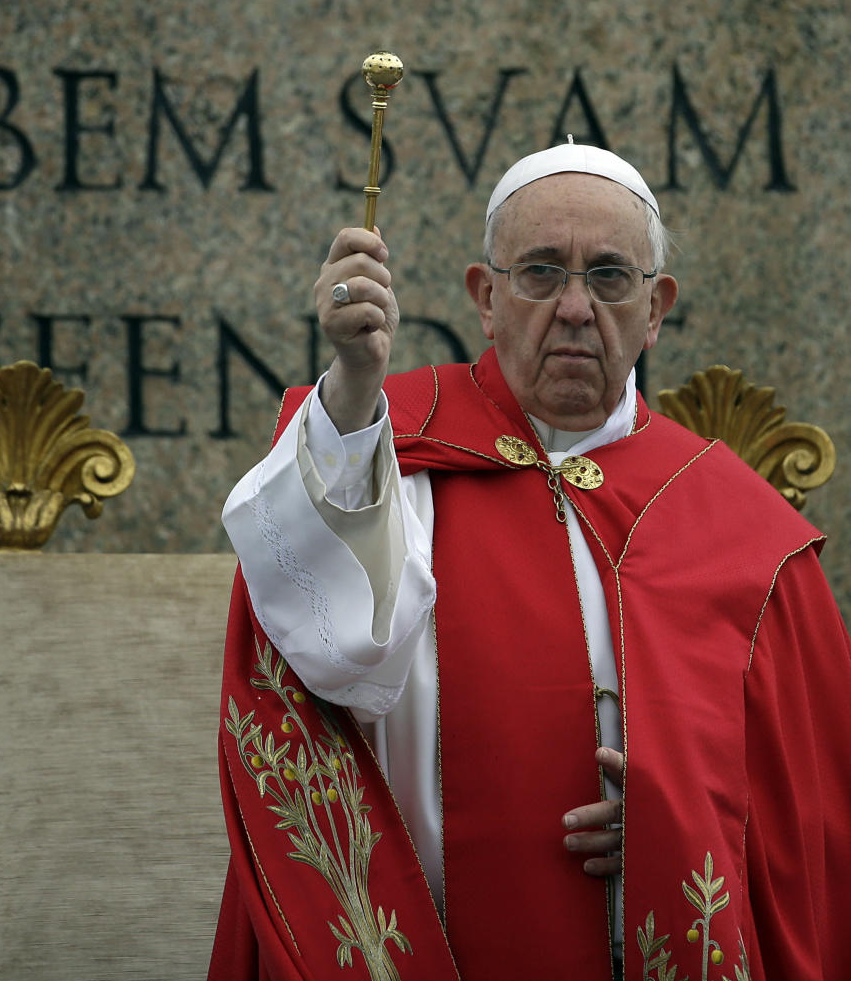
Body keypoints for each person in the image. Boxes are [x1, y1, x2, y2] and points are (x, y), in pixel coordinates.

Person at [208, 142, 851, 981]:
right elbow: (330, 649)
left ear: (657, 309)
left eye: (611, 277)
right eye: (541, 273)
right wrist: (355, 385)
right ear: (486, 296)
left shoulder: (742, 533)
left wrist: (682, 821)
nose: (576, 306)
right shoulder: (383, 448)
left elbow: (813, 825)